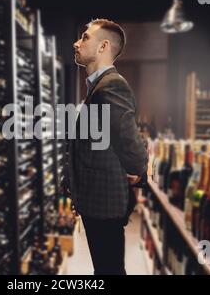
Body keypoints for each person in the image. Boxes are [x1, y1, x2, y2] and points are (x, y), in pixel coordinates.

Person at [63, 18, 148, 275]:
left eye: (85, 37)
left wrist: (140, 173)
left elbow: (128, 139)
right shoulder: (98, 86)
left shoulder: (111, 85)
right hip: (97, 198)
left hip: (104, 202)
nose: (76, 42)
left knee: (109, 269)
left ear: (103, 47)